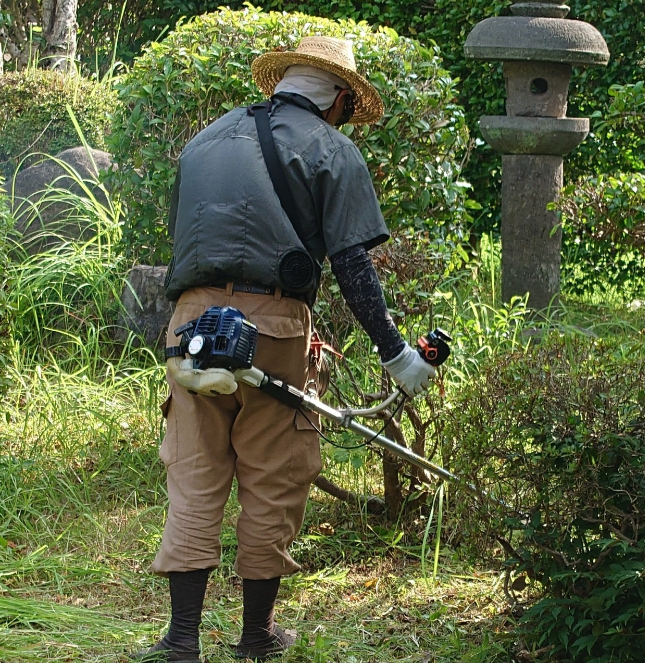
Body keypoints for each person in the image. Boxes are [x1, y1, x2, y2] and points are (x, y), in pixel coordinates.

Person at [133, 36, 437, 662]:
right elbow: (353, 265)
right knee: (272, 480)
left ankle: (182, 640)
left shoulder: (205, 140)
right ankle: (255, 638)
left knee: (194, 476)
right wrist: (398, 355)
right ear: (342, 99)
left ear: (282, 83)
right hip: (273, 328)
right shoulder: (332, 148)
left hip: (189, 324)